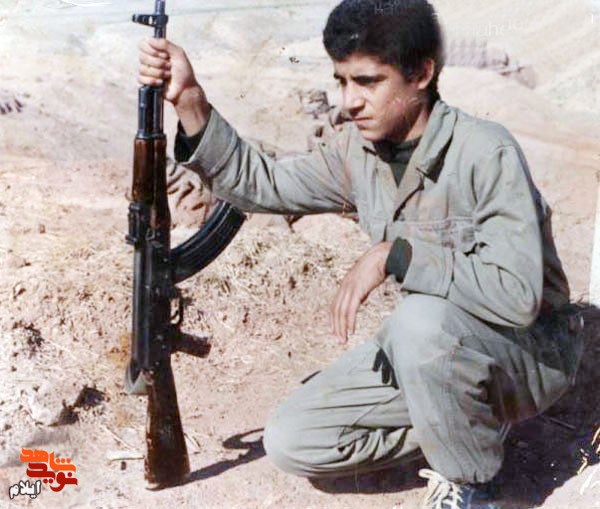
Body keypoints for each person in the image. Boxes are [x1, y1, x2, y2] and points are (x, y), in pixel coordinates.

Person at [138, 0, 584, 507]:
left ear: (421, 75)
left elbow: (519, 298)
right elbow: (262, 184)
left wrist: (399, 255)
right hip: (437, 355)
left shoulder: (485, 152)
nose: (350, 101)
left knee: (417, 322)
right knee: (293, 439)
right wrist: (189, 99)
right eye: (342, 81)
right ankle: (468, 425)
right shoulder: (359, 153)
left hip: (528, 356)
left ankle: (471, 482)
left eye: (368, 82)